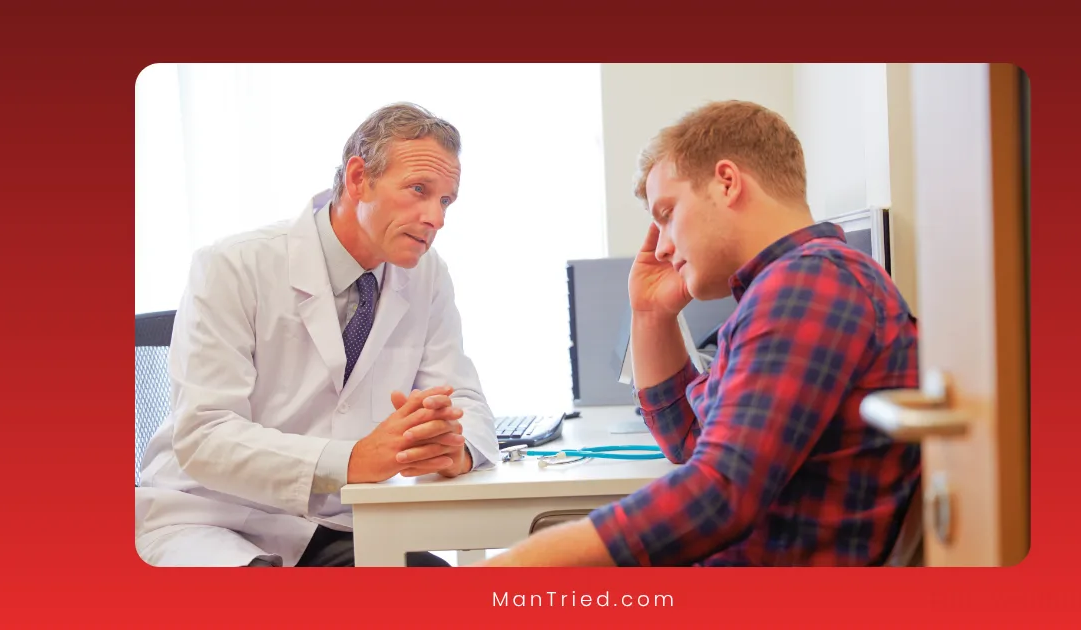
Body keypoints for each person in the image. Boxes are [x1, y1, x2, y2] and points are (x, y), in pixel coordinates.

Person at [477, 100, 921, 567]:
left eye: (667, 214)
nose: (662, 247)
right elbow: (687, 439)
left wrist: (512, 569)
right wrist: (651, 314)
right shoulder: (795, 284)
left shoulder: (809, 283)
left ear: (726, 182)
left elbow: (719, 492)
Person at [136, 102, 500, 567]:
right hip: (208, 516)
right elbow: (203, 436)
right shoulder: (233, 265)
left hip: (333, 525)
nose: (437, 218)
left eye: (446, 201)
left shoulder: (427, 276)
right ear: (358, 178)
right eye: (418, 190)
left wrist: (454, 448)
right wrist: (351, 461)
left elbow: (464, 400)